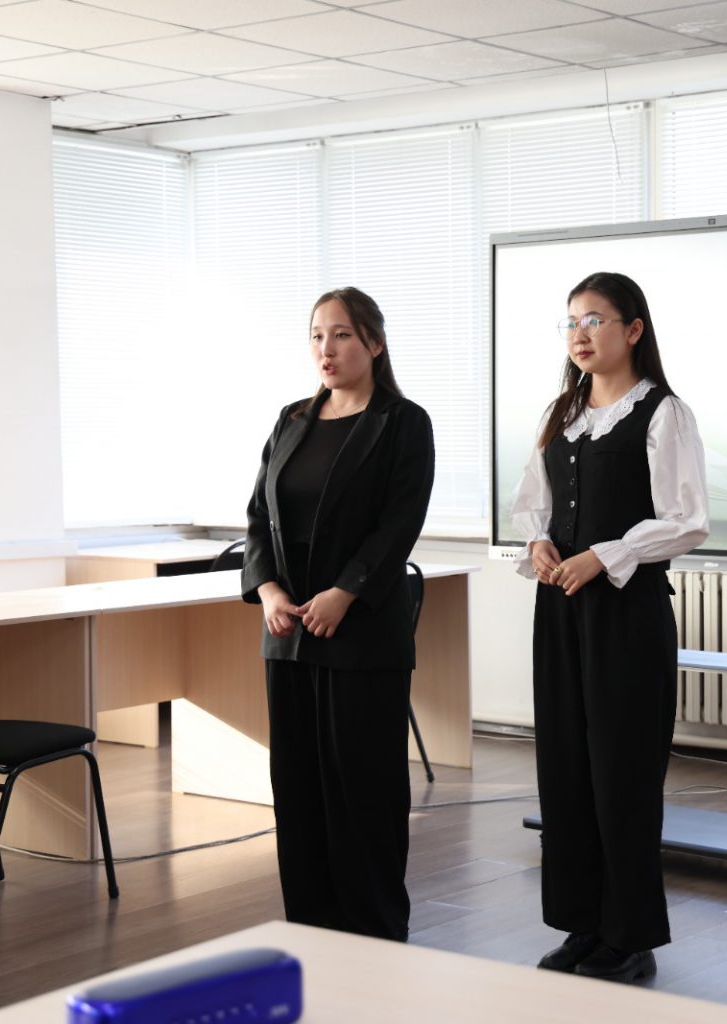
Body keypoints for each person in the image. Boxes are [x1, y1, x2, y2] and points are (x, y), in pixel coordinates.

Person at [511, 270, 710, 983]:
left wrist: (606, 555)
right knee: (565, 769)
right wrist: (538, 542)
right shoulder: (562, 411)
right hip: (560, 611)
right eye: (571, 321)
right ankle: (584, 924)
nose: (580, 333)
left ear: (633, 330)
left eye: (595, 319)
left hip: (626, 614)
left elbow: (687, 518)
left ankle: (630, 937)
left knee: (622, 774)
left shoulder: (663, 412)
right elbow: (533, 503)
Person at [240, 286, 434, 942]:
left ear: (374, 343)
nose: (327, 348)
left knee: (364, 792)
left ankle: (374, 934)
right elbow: (259, 517)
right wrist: (267, 590)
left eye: (342, 335)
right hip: (289, 634)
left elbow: (399, 524)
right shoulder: (292, 419)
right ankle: (311, 930)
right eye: (317, 335)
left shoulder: (403, 423)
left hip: (362, 636)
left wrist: (345, 592)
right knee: (298, 791)